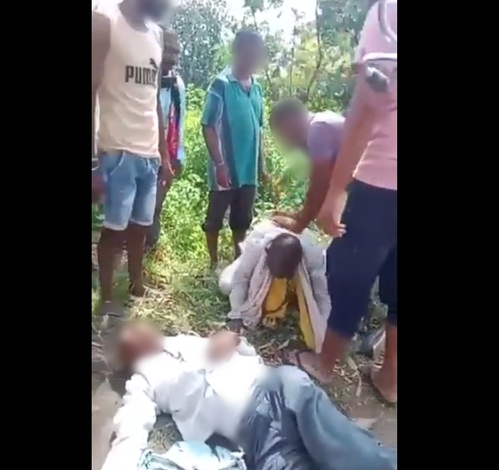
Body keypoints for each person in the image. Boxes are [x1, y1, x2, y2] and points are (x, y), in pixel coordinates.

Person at [278, 0, 398, 405]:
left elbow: (368, 104)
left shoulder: (388, 13)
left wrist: (335, 194)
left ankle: (325, 364)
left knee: (349, 274)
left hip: (382, 177)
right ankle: (390, 376)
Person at [101, 321, 397, 470]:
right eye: (132, 342)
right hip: (252, 433)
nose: (143, 336)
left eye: (139, 331)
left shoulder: (183, 340)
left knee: (333, 436)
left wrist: (235, 340)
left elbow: (247, 353)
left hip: (274, 387)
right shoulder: (143, 381)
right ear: (129, 358)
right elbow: (131, 427)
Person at [92, 0, 174, 314]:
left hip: (148, 153)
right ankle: (106, 298)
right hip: (117, 150)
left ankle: (136, 286)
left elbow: (153, 101)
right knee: (114, 231)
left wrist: (164, 155)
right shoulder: (104, 21)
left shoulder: (157, 34)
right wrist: (93, 162)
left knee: (140, 226)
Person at [201, 30, 267, 267]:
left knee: (242, 220)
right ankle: (213, 265)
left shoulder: (257, 88)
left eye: (256, 56)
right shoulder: (221, 84)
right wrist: (220, 164)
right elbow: (208, 126)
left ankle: (238, 266)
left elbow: (259, 128)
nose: (251, 61)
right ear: (236, 52)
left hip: (248, 170)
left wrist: (261, 164)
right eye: (247, 55)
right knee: (215, 218)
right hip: (226, 167)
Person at [219, 218, 330, 353]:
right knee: (226, 285)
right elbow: (241, 279)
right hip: (264, 236)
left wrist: (323, 328)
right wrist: (236, 314)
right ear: (267, 254)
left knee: (309, 300)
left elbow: (321, 294)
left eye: (284, 273)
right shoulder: (257, 246)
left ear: (298, 264)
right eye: (275, 272)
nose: (277, 277)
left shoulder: (313, 258)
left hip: (301, 242)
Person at [268, 98, 345, 236]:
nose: (286, 142)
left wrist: (299, 224)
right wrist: (300, 215)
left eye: (281, 134)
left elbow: (320, 185)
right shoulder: (322, 121)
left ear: (289, 124)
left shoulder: (317, 130)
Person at [145, 27, 186, 251]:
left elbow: (180, 120)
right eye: (167, 51)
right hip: (142, 151)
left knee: (156, 207)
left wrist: (178, 155)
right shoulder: (144, 79)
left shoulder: (177, 86)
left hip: (166, 155)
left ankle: (150, 248)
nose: (171, 58)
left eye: (175, 53)